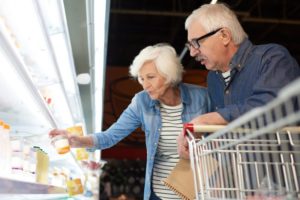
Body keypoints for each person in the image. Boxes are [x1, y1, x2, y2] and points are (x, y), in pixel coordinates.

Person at [49, 43, 211, 200]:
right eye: (141, 79)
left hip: (200, 192)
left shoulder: (202, 97)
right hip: (159, 194)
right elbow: (110, 136)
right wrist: (77, 140)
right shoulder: (141, 102)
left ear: (169, 75)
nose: (145, 85)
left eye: (151, 77)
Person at [177, 3, 300, 159]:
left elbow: (271, 108)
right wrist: (199, 142)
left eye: (196, 43)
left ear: (224, 36)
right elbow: (226, 132)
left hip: (284, 175)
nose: (193, 53)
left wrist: (207, 120)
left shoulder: (272, 58)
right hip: (242, 178)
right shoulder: (213, 78)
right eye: (190, 45)